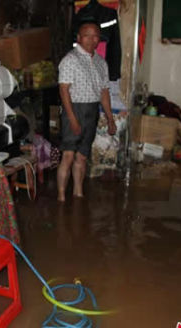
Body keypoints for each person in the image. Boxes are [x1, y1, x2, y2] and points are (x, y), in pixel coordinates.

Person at [57, 21, 116, 202]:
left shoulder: (100, 62)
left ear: (99, 39)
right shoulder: (70, 60)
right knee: (68, 155)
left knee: (82, 155)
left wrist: (110, 119)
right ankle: (60, 196)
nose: (92, 39)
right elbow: (64, 91)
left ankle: (78, 191)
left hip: (92, 110)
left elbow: (104, 92)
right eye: (87, 35)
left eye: (95, 36)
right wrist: (73, 119)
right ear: (79, 38)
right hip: (73, 109)